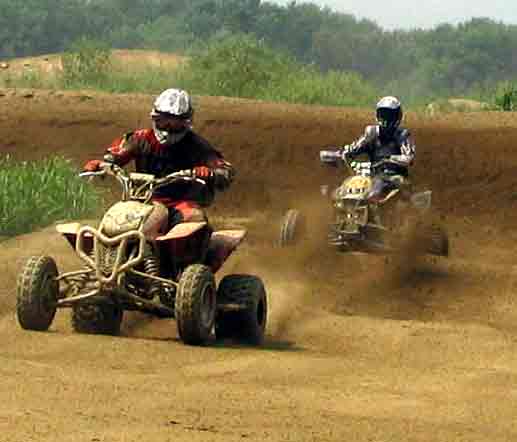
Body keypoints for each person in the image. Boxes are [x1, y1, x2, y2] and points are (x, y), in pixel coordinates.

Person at [83, 88, 234, 228]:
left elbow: (225, 170)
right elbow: (116, 155)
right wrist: (101, 164)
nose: (168, 127)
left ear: (185, 123)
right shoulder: (140, 139)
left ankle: (191, 249)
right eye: (163, 120)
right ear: (155, 118)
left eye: (174, 123)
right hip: (142, 200)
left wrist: (211, 173)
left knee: (195, 218)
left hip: (178, 204)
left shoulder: (197, 145)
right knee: (114, 219)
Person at [335, 96, 416, 201]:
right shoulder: (371, 133)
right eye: (384, 115)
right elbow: (354, 149)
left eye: (390, 115)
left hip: (394, 176)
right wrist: (342, 154)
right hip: (372, 175)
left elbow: (408, 157)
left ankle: (389, 207)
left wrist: (389, 159)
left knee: (382, 188)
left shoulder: (402, 135)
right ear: (378, 115)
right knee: (345, 188)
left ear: (397, 116)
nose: (386, 119)